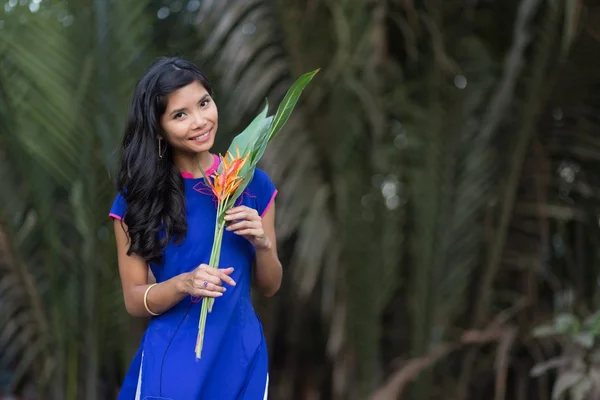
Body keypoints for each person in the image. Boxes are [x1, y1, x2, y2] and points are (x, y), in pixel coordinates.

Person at [109, 56, 282, 399]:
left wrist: (263, 244)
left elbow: (270, 286)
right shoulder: (137, 199)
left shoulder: (253, 185)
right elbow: (133, 299)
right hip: (174, 360)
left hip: (241, 355)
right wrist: (183, 284)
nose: (200, 121)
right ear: (158, 128)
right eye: (180, 115)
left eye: (204, 103)